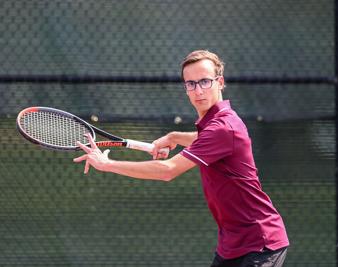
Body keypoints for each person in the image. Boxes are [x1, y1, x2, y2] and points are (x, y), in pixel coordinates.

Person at [74, 50, 289, 267]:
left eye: (205, 81)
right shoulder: (220, 124)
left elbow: (168, 170)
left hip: (260, 243)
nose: (198, 90)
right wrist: (174, 136)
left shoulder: (223, 127)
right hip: (232, 244)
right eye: (191, 84)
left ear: (220, 82)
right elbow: (206, 138)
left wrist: (107, 164)